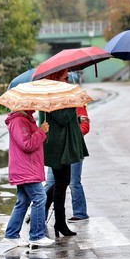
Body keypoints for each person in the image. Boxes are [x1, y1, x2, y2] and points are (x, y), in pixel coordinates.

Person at [43, 69, 88, 238]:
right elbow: (60, 118)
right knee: (61, 184)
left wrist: (77, 119)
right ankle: (59, 222)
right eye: (65, 78)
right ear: (56, 78)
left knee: (63, 182)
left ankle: (51, 215)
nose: (68, 80)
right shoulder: (53, 96)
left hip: (64, 145)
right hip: (57, 147)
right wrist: (73, 103)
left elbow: (63, 119)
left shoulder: (61, 94)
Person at [2, 108, 54, 248]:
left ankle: (12, 234)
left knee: (23, 201)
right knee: (40, 197)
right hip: (25, 169)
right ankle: (36, 236)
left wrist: (40, 131)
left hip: (27, 167)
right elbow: (27, 144)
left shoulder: (26, 119)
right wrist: (41, 131)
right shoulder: (18, 120)